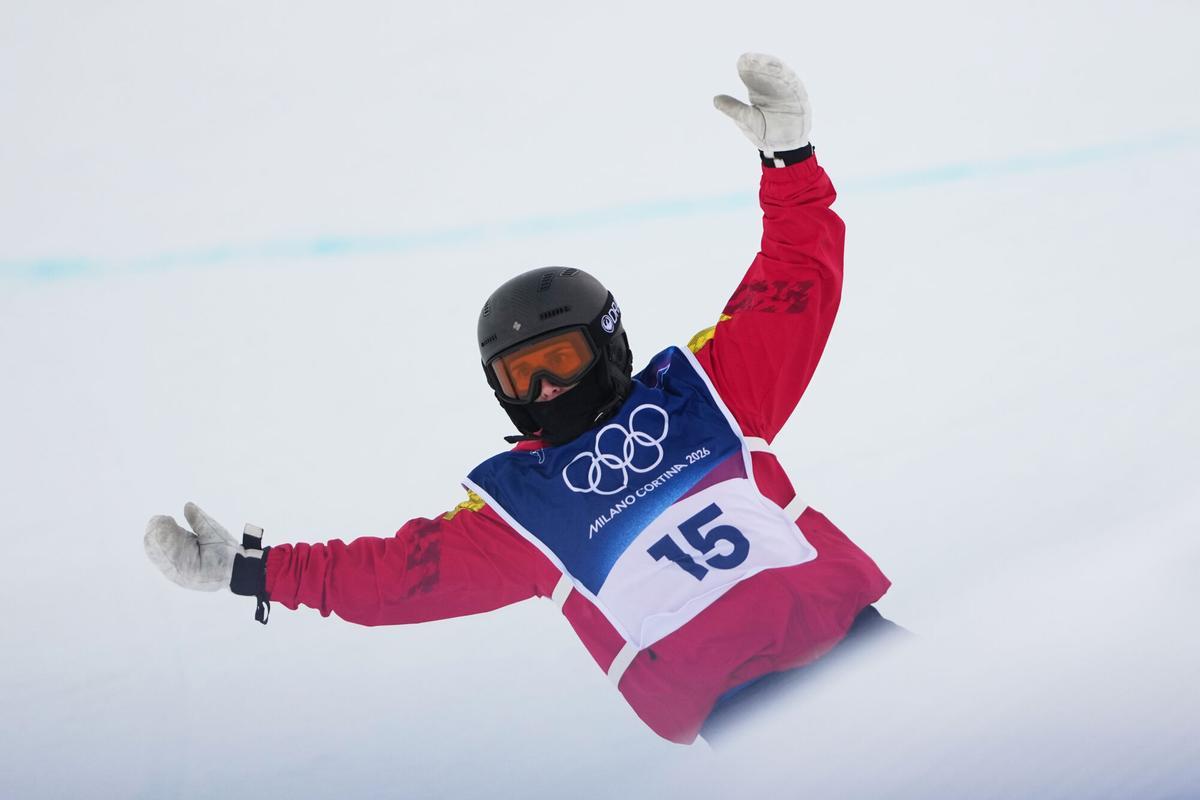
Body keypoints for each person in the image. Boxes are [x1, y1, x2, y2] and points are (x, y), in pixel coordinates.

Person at [144, 53, 894, 745]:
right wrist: (252, 570)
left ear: (607, 347)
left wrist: (788, 160)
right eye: (519, 377)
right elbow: (393, 578)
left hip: (868, 653)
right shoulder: (520, 513)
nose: (544, 390)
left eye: (560, 361)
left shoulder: (709, 396)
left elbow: (792, 286)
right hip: (758, 723)